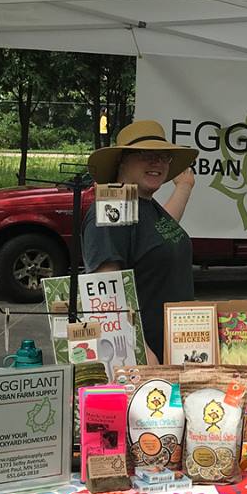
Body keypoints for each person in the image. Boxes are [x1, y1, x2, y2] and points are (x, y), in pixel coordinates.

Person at [83, 120, 197, 365]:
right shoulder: (114, 204)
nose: (156, 161)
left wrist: (185, 187)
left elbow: (160, 236)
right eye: (145, 154)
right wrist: (142, 352)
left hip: (172, 351)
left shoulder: (141, 203)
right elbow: (106, 293)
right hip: (143, 359)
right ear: (122, 160)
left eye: (163, 156)